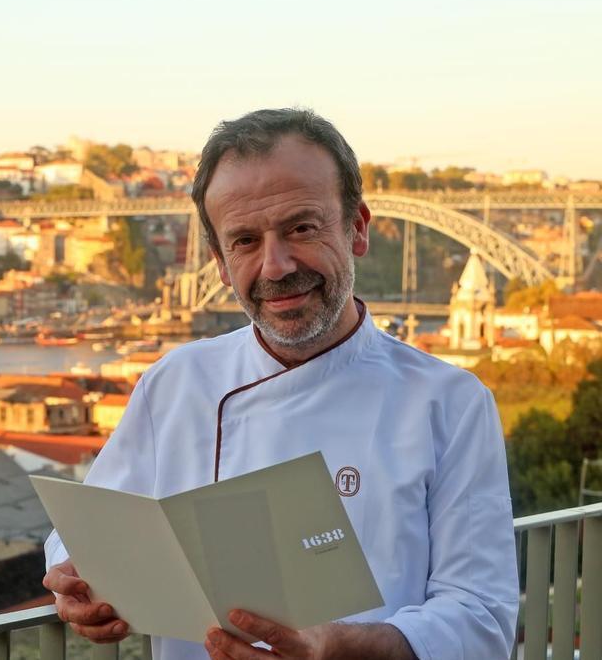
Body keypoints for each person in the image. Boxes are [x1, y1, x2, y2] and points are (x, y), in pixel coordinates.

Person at [42, 108, 518, 660]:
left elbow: (481, 618)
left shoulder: (451, 404)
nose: (275, 266)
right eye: (244, 241)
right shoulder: (173, 384)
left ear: (357, 228)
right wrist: (77, 584)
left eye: (301, 228)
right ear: (220, 263)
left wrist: (344, 648)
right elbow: (88, 531)